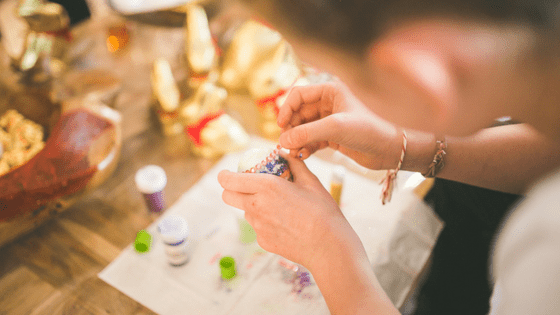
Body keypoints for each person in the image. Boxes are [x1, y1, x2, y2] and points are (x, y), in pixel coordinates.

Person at [218, 1, 560, 314]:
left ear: (415, 81)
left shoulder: (545, 257)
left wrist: (330, 257)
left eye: (339, 74)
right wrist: (411, 147)